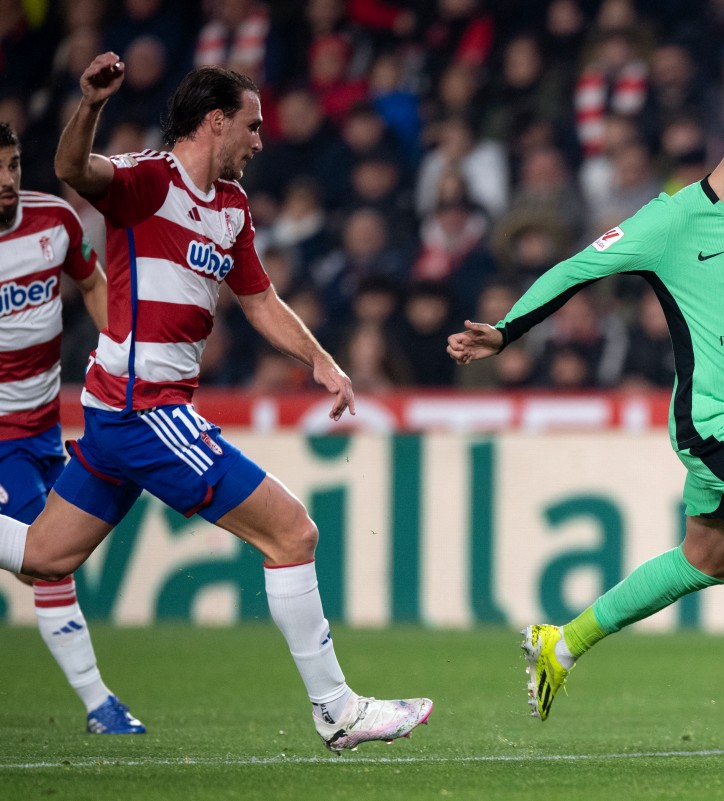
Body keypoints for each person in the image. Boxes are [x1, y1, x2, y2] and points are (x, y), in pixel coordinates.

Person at [0, 53, 432, 752]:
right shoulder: (145, 181)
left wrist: (317, 357)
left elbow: (259, 299)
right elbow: (76, 171)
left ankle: (336, 708)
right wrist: (89, 106)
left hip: (122, 412)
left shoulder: (231, 207)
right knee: (293, 532)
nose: (261, 141)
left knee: (47, 556)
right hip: (144, 408)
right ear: (215, 122)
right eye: (252, 127)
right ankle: (336, 709)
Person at [447, 88, 724, 743]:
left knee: (705, 561)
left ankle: (560, 643)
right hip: (712, 424)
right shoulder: (670, 221)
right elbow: (575, 270)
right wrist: (506, 332)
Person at [0, 122, 144, 735]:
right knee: (46, 561)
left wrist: (122, 347)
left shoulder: (53, 221)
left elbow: (90, 281)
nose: (8, 181)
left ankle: (99, 704)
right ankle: (99, 704)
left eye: (12, 166)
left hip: (44, 426)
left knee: (52, 559)